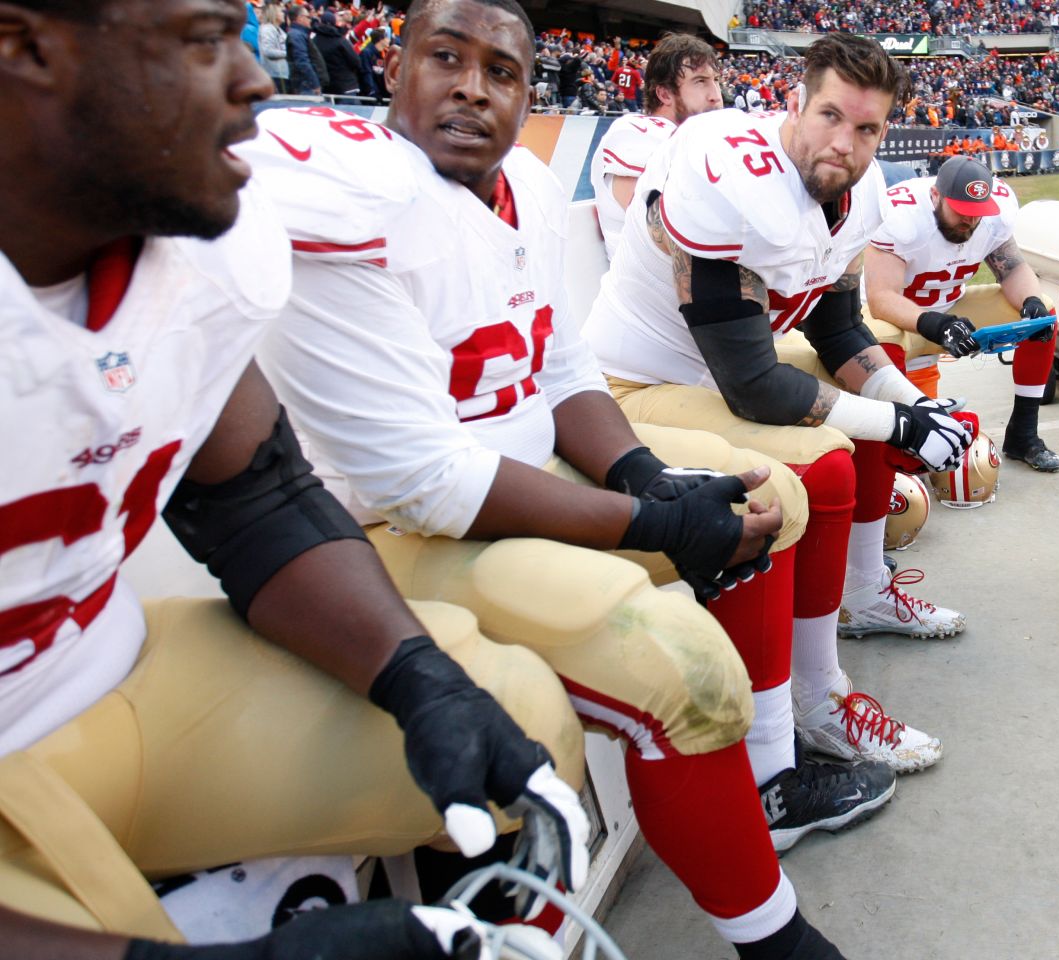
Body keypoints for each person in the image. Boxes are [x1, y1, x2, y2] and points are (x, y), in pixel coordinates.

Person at [245, 2, 864, 954]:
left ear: (528, 91)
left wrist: (645, 474)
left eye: (501, 70)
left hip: (519, 477)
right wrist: (647, 523)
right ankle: (775, 938)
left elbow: (561, 367)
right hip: (396, 534)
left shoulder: (524, 182)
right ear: (395, 66)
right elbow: (424, 479)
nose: (471, 86)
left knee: (750, 509)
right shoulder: (352, 195)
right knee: (676, 664)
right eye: (444, 58)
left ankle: (767, 781)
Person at [0, 0, 595, 956]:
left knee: (503, 705)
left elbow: (257, 502)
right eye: (201, 42)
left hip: (105, 669)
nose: (255, 81)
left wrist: (414, 681)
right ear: (28, 45)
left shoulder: (203, 252)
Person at [582, 35, 964, 770]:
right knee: (825, 465)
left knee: (884, 401)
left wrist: (909, 404)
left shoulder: (855, 192)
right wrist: (897, 415)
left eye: (867, 128)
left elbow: (837, 324)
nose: (844, 143)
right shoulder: (729, 176)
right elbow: (754, 386)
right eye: (829, 116)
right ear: (794, 103)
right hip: (637, 382)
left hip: (710, 370)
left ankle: (864, 593)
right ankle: (817, 699)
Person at [863, 156, 1059, 472]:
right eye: (961, 211)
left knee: (1044, 311)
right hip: (897, 323)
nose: (969, 221)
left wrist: (1031, 302)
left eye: (977, 213)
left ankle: (1023, 432)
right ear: (935, 196)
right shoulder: (902, 216)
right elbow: (882, 299)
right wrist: (938, 325)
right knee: (910, 453)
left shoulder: (991, 218)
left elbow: (1012, 269)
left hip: (951, 310)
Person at [591, 34, 723, 262]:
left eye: (716, 81)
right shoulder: (633, 131)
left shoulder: (703, 137)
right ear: (664, 94)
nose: (716, 96)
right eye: (700, 82)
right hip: (656, 293)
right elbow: (671, 234)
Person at [313, 8, 361, 97]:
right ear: (334, 22)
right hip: (346, 86)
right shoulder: (340, 40)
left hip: (326, 88)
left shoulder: (314, 41)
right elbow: (356, 61)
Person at [286, 3, 321, 94]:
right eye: (308, 17)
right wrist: (315, 83)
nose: (311, 20)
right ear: (300, 18)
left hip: (306, 83)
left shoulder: (300, 34)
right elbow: (302, 61)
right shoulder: (296, 35)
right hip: (305, 84)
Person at [258, 3, 290, 93]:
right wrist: (288, 53)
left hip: (282, 74)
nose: (283, 13)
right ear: (273, 14)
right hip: (274, 74)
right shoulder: (267, 29)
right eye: (280, 12)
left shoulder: (279, 29)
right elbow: (267, 51)